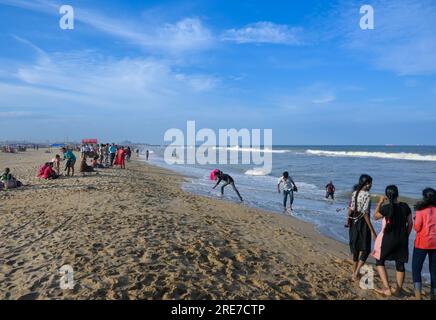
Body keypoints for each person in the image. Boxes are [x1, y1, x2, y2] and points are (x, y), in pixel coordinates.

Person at [372, 185, 413, 296]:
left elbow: (375, 216)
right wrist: (406, 236)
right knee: (400, 264)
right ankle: (398, 290)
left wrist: (380, 202)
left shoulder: (386, 207)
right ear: (397, 194)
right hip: (402, 239)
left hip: (388, 239)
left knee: (379, 261)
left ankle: (387, 288)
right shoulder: (405, 206)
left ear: (386, 195)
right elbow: (410, 224)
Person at [347, 174, 377, 281]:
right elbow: (365, 214)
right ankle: (356, 273)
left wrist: (347, 220)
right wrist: (373, 231)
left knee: (356, 246)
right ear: (365, 184)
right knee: (366, 249)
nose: (371, 185)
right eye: (369, 183)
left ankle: (354, 271)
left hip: (354, 220)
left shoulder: (355, 193)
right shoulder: (367, 195)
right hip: (363, 223)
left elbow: (351, 208)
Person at [412, 188, 436, 300]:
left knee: (416, 268)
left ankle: (418, 296)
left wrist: (415, 219)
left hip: (422, 243)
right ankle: (433, 296)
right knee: (434, 270)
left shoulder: (420, 210)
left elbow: (417, 228)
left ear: (424, 197)